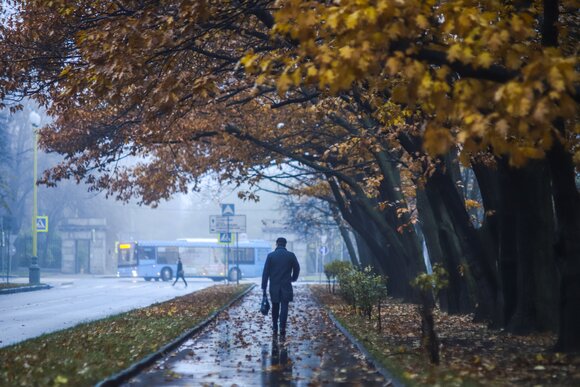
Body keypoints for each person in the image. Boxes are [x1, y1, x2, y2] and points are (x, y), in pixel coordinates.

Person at [261, 237, 300, 340]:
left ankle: (274, 327)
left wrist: (264, 287)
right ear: (285, 244)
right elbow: (297, 268)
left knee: (275, 306)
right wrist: (293, 278)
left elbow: (265, 273)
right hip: (286, 285)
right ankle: (282, 327)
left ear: (276, 244)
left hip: (274, 286)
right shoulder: (291, 256)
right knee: (284, 307)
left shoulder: (271, 256)